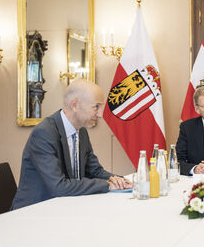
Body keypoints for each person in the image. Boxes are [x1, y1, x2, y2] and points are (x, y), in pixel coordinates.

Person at [12, 79, 131, 209]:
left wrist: (120, 181)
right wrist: (107, 185)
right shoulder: (44, 133)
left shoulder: (82, 132)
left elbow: (95, 171)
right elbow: (59, 187)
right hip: (33, 212)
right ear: (74, 105)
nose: (100, 114)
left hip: (65, 207)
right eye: (96, 106)